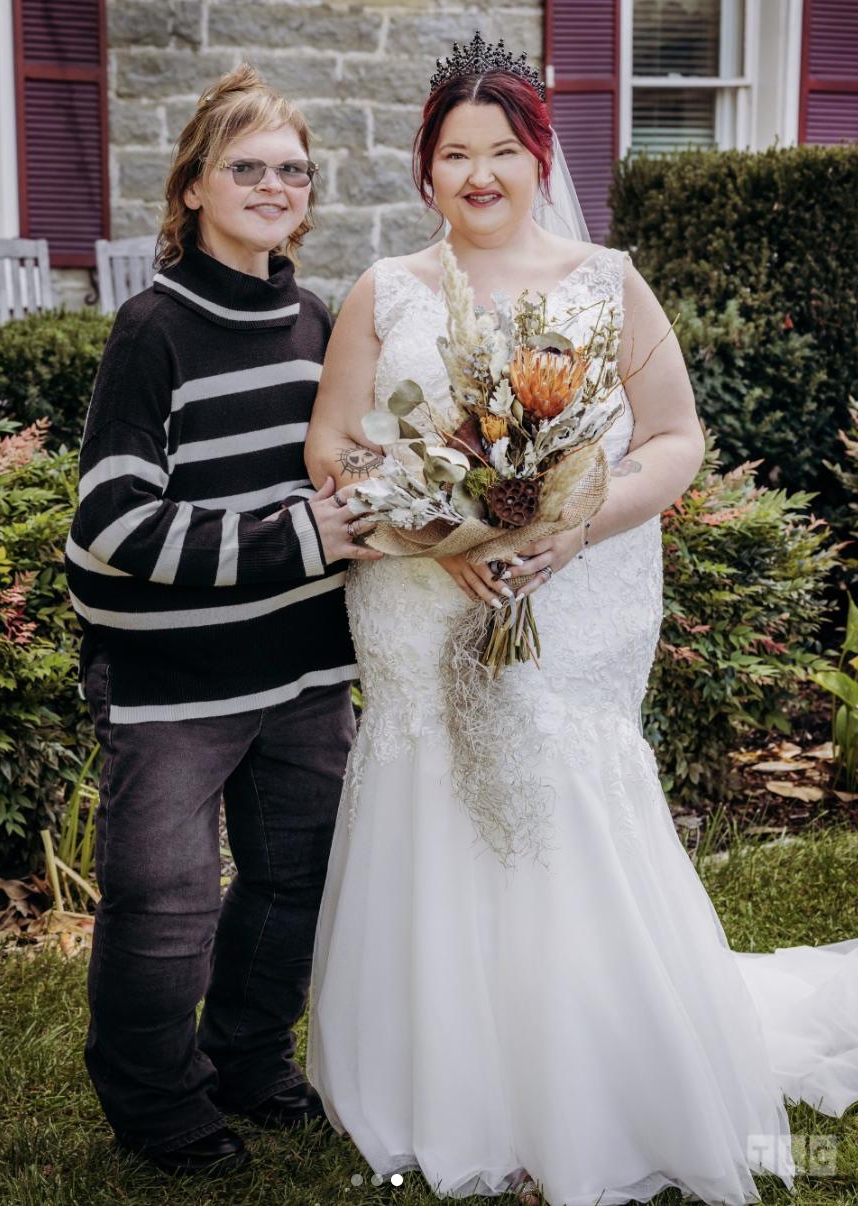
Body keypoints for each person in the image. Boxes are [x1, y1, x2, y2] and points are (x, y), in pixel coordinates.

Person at [303, 33, 858, 1204]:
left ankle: (595, 1077)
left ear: (540, 157)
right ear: (425, 167)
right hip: (420, 596)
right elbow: (336, 445)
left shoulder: (608, 283)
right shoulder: (383, 290)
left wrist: (570, 525)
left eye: (503, 150)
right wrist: (442, 532)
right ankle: (449, 1089)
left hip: (579, 592)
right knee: (430, 786)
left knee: (560, 790)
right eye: (456, 153)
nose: (480, 175)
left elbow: (675, 439)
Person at [65, 65, 380, 1179]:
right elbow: (112, 522)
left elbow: (347, 474)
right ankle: (157, 1103)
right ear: (193, 187)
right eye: (247, 167)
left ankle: (249, 1060)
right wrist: (302, 536)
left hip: (302, 669)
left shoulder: (316, 320)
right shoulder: (152, 328)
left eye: (293, 169)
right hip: (174, 679)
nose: (274, 186)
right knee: (165, 908)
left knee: (296, 877)